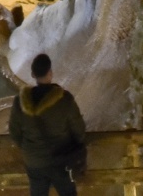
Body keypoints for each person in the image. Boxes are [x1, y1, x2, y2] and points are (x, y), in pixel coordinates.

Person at [8, 53, 87, 196]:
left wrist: (30, 149)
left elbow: (14, 132)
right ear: (50, 73)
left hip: (34, 161)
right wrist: (75, 148)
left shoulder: (20, 101)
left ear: (32, 74)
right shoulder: (64, 100)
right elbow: (79, 130)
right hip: (61, 160)